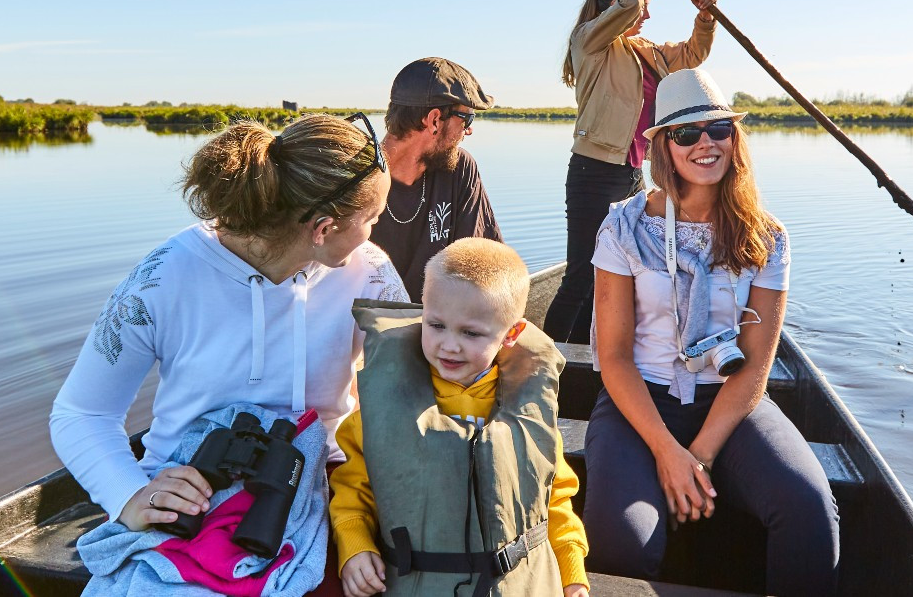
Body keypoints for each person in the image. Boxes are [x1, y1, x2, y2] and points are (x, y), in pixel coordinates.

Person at [50, 114, 407, 576]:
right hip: (190, 494)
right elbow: (82, 413)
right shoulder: (162, 277)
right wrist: (130, 495)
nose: (372, 234)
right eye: (371, 219)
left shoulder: (370, 272)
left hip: (325, 485)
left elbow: (417, 380)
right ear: (322, 229)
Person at [582, 69, 838, 595]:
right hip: (639, 401)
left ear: (733, 139)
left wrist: (697, 457)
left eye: (717, 129)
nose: (705, 143)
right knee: (621, 544)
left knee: (808, 509)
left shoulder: (767, 237)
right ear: (663, 148)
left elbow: (756, 367)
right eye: (685, 133)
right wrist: (666, 452)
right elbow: (614, 358)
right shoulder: (624, 228)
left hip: (730, 399)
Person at [331, 238, 589, 597]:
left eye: (470, 333)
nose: (449, 345)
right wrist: (355, 545)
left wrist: (572, 572)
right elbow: (352, 492)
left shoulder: (531, 415)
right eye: (436, 325)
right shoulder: (381, 410)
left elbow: (554, 502)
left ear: (512, 333)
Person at [543, 0, 719, 344]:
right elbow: (626, 5)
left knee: (613, 269)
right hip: (593, 173)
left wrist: (705, 18)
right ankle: (546, 360)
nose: (646, 15)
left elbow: (692, 54)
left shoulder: (644, 53)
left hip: (629, 175)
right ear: (617, 7)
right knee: (581, 273)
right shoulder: (589, 42)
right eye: (643, 6)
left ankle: (587, 354)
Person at [371, 57, 503, 302]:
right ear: (433, 120)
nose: (469, 130)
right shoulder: (357, 178)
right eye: (467, 119)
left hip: (437, 328)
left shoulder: (460, 168)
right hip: (363, 332)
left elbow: (482, 265)